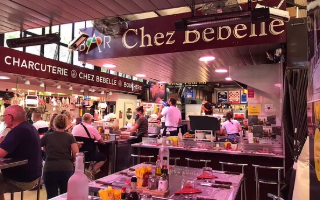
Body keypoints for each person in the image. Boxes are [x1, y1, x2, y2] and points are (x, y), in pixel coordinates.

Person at [0, 105, 42, 200]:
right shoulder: (29, 128)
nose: (3, 119)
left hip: (21, 179)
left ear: (10, 117)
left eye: (4, 116)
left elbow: (0, 153)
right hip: (33, 175)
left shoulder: (18, 131)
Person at [41, 114, 79, 199]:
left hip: (50, 168)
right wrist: (73, 161)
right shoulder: (70, 137)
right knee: (65, 195)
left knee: (51, 196)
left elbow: (37, 147)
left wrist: (45, 150)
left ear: (54, 124)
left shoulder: (47, 136)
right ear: (66, 125)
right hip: (66, 168)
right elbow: (76, 152)